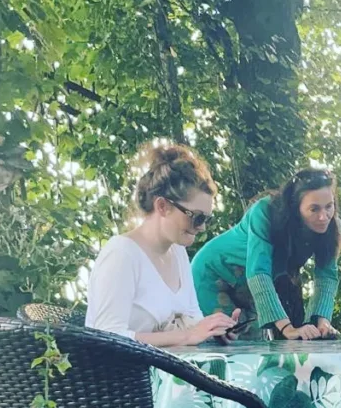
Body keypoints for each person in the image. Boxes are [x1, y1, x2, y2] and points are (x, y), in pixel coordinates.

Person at [86, 143, 238, 346]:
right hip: (126, 375)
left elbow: (193, 318)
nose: (201, 228)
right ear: (163, 206)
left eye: (206, 220)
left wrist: (213, 329)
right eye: (197, 218)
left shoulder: (178, 252)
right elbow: (106, 337)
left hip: (169, 372)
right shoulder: (121, 254)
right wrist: (188, 336)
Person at [191, 168, 341, 341]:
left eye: (329, 206)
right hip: (214, 273)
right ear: (295, 207)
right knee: (227, 342)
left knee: (259, 345)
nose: (324, 217)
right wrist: (288, 328)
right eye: (314, 209)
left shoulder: (332, 225)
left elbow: (327, 277)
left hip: (252, 283)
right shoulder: (264, 212)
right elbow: (259, 272)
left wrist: (322, 323)